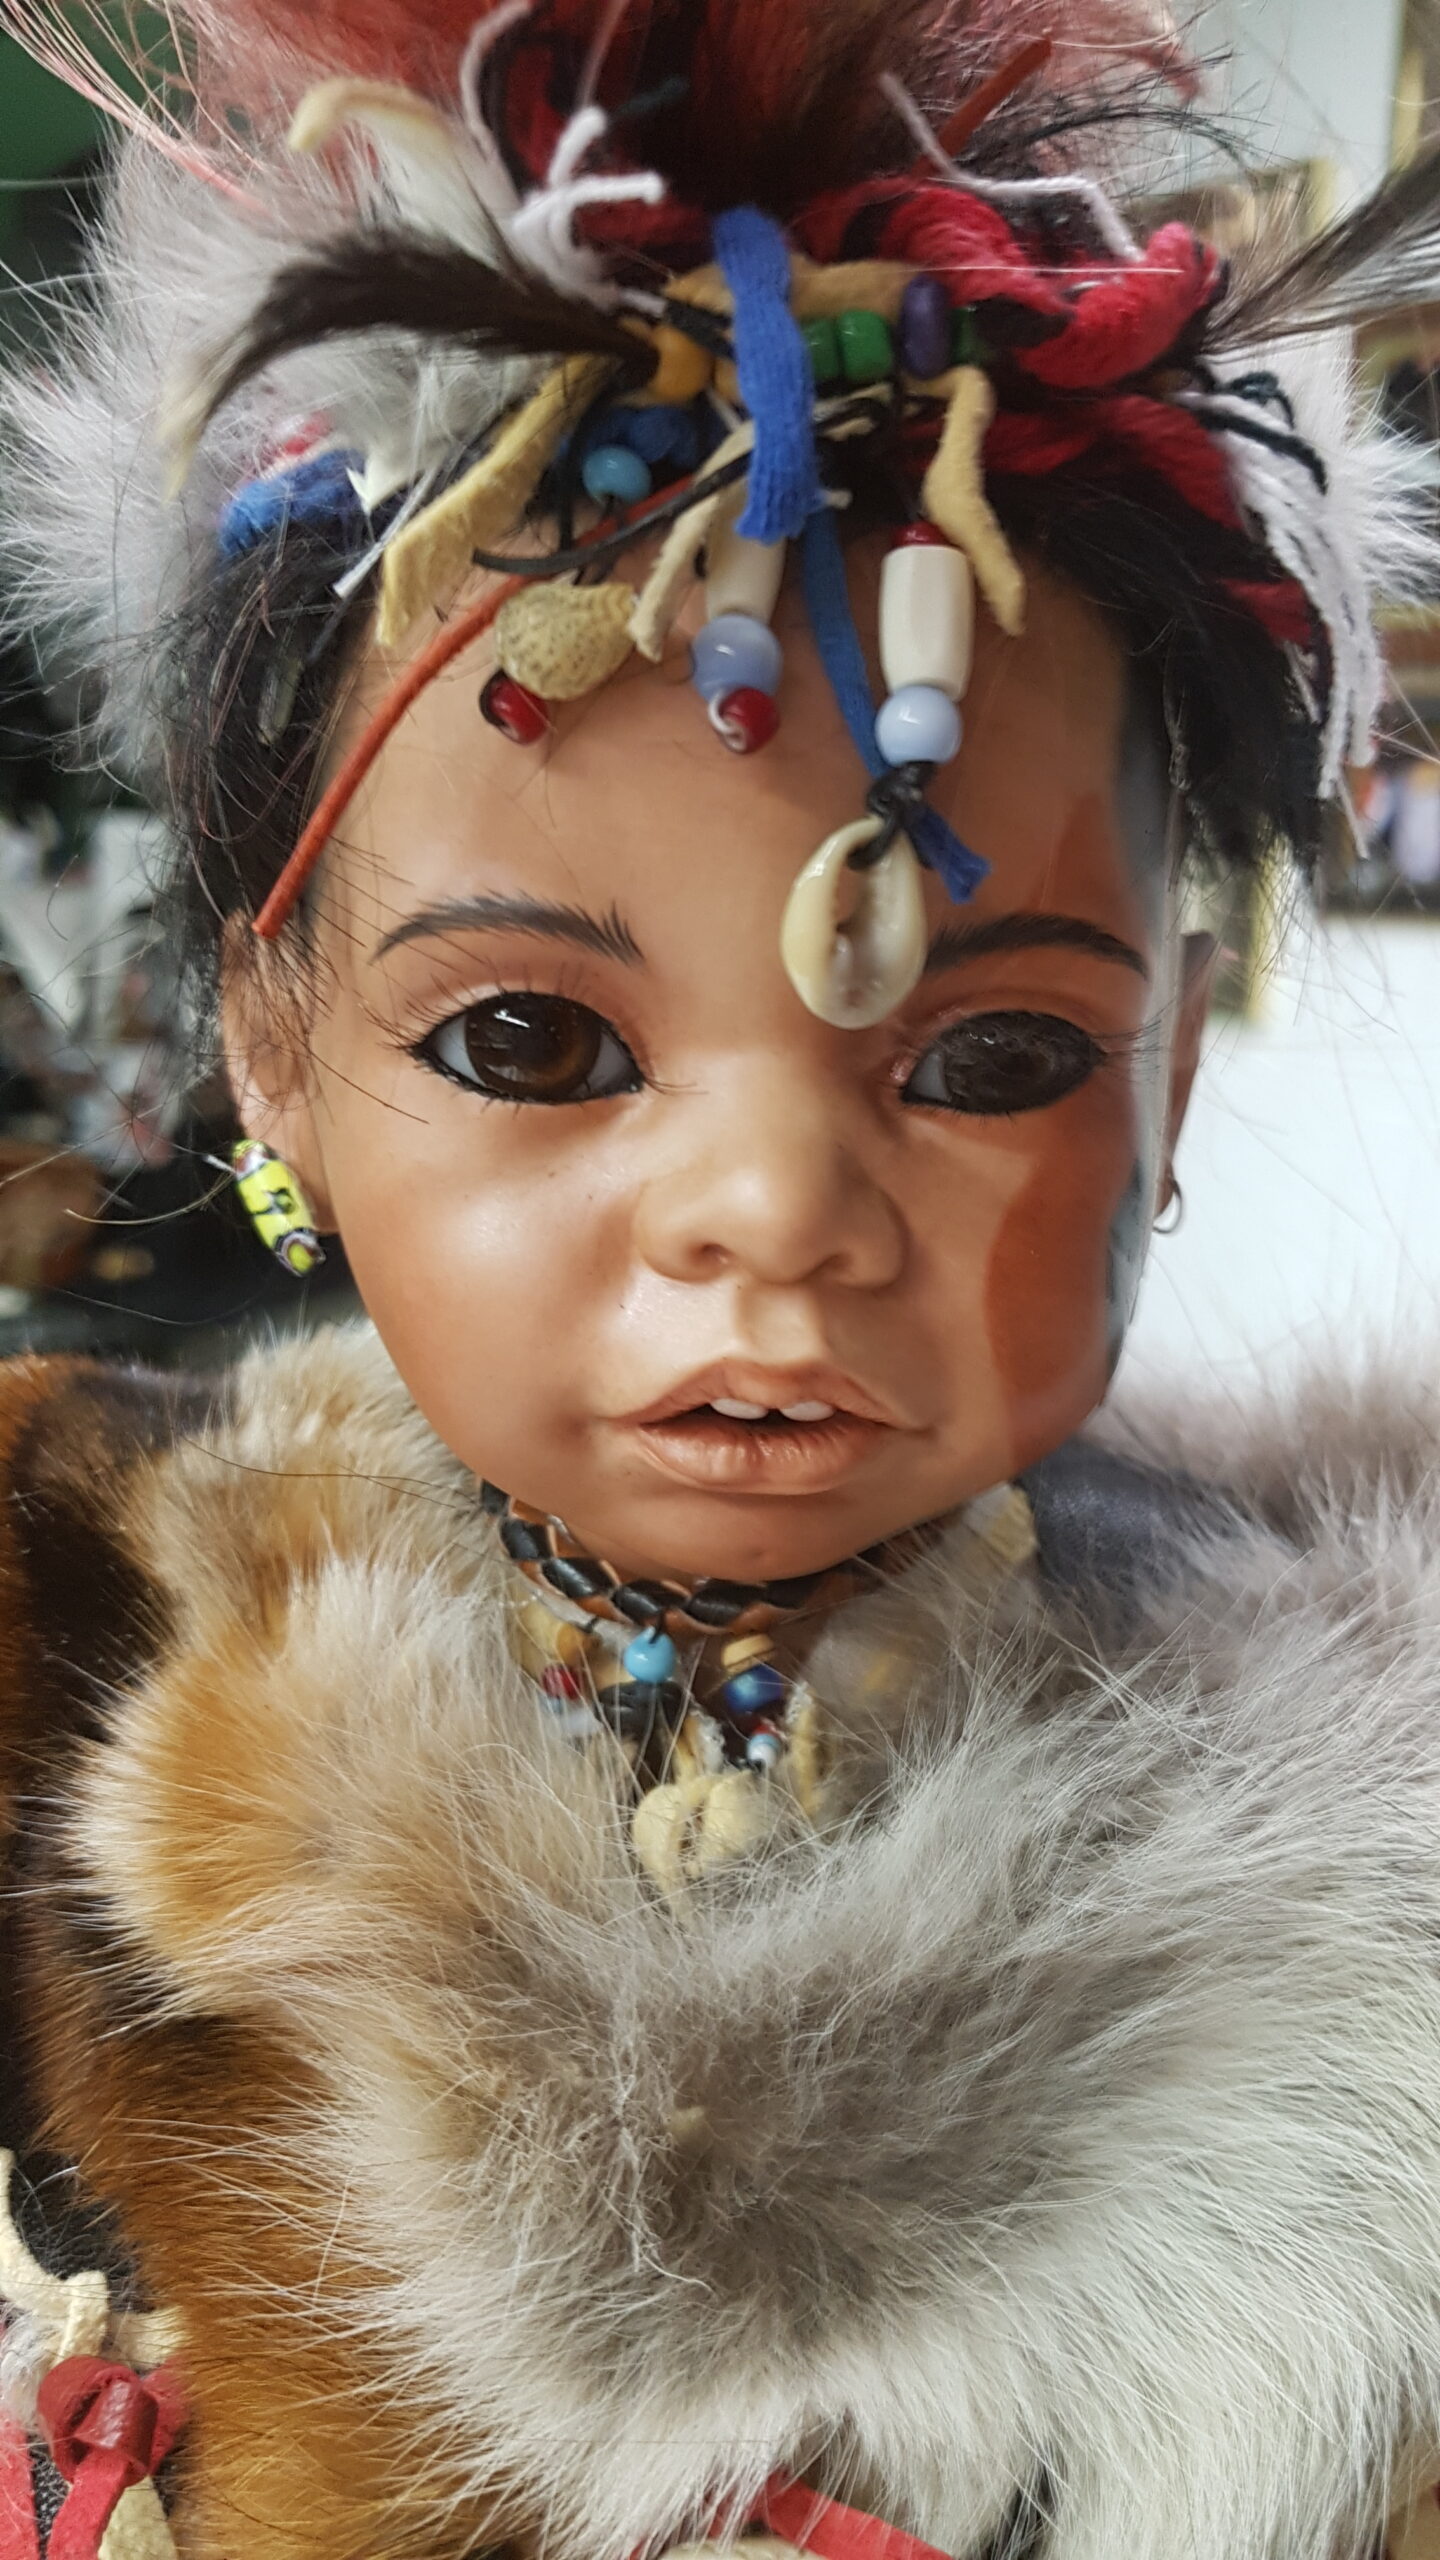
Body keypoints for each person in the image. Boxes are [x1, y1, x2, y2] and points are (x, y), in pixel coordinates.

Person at [1, 5, 1440, 2557]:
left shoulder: (1374, 1919)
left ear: (1171, 1084)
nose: (775, 1212)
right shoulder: (59, 1630)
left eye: (994, 1053)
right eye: (531, 1038)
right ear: (273, 1046)